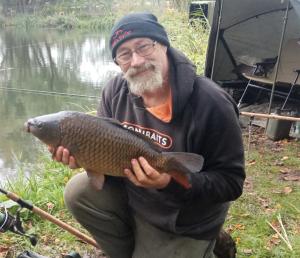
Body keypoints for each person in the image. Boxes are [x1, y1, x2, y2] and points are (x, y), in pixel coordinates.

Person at [50, 12, 245, 258]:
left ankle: (209, 247)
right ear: (118, 62)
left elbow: (231, 183)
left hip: (186, 218)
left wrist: (169, 182)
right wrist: (83, 156)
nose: (137, 61)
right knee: (78, 192)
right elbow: (103, 153)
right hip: (136, 199)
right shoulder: (115, 91)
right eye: (124, 54)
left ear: (162, 45)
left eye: (143, 46)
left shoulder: (212, 103)